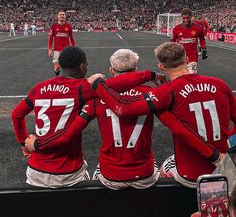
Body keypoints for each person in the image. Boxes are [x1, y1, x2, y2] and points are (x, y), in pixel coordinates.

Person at [26, 45, 226, 189]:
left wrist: (36, 144)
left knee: (93, 170)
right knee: (166, 166)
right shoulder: (152, 94)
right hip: (146, 175)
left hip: (110, 177)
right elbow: (177, 127)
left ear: (111, 71)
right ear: (136, 70)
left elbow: (70, 132)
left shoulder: (97, 97)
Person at [86, 42, 236, 188]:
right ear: (187, 60)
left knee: (164, 167)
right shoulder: (220, 84)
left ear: (161, 67)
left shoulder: (165, 92)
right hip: (224, 169)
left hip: (190, 175)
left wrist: (97, 84)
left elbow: (123, 107)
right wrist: (227, 142)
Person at [12, 46, 160, 189]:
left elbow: (16, 114)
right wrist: (150, 75)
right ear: (82, 66)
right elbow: (117, 83)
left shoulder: (38, 88)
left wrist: (23, 142)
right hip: (68, 171)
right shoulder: (82, 88)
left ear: (60, 65)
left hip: (35, 170)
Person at [171, 8, 207, 74]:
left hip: (192, 57)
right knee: (181, 78)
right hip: (180, 57)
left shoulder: (198, 28)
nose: (186, 20)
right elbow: (172, 41)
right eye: (184, 18)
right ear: (181, 17)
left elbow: (202, 39)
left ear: (191, 17)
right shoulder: (176, 29)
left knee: (191, 76)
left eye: (188, 18)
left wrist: (204, 49)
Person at [48, 10, 75, 76]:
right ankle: (58, 78)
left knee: (68, 67)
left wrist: (74, 47)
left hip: (67, 50)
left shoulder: (68, 26)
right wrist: (49, 49)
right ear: (57, 16)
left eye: (63, 14)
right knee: (57, 67)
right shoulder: (54, 26)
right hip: (57, 50)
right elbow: (50, 38)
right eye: (60, 14)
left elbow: (71, 37)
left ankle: (66, 79)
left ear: (65, 16)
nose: (62, 16)